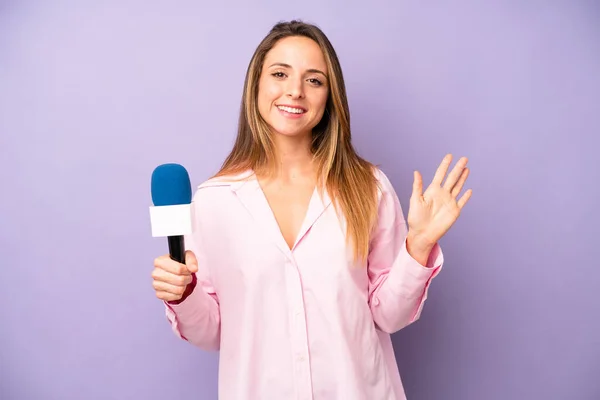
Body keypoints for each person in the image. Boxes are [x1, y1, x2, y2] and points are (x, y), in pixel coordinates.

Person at [151, 20, 472, 400]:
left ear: (330, 96)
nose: (295, 91)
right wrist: (183, 294)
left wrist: (417, 246)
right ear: (256, 84)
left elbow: (389, 315)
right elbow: (212, 332)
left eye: (314, 80)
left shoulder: (368, 188)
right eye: (280, 73)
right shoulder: (213, 201)